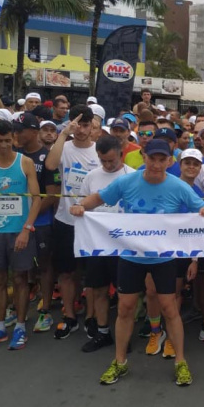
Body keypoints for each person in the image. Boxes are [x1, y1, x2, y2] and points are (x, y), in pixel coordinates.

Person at [72, 139, 204, 385]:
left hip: (164, 258)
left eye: (162, 160)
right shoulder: (127, 181)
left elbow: (202, 209)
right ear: (143, 157)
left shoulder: (178, 186)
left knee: (170, 308)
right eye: (152, 158)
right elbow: (99, 198)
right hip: (130, 256)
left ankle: (181, 362)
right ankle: (119, 362)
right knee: (126, 308)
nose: (157, 164)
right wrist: (81, 206)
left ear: (170, 161)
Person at [0, 120, 42, 350]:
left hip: (19, 232)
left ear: (13, 139)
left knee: (21, 280)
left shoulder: (26, 163)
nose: (3, 145)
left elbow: (36, 199)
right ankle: (0, 326)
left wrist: (27, 229)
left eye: (7, 140)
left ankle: (21, 326)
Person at [45, 106, 101, 339]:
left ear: (92, 127)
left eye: (86, 125)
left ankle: (90, 317)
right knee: (66, 273)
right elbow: (50, 165)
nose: (81, 130)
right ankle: (69, 316)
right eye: (77, 124)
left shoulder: (99, 152)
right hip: (65, 220)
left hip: (91, 222)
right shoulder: (63, 147)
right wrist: (63, 134)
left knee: (90, 275)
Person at [79, 135, 134, 353]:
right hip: (97, 244)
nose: (108, 165)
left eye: (112, 160)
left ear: (121, 154)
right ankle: (102, 332)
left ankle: (124, 334)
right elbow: (82, 202)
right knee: (99, 290)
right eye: (104, 161)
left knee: (124, 293)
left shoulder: (132, 176)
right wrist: (78, 207)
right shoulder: (92, 177)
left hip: (124, 246)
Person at [14, 114, 61, 334]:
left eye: (20, 130)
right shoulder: (13, 155)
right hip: (15, 221)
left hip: (41, 221)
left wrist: (29, 215)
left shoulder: (47, 158)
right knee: (19, 267)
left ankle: (46, 309)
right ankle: (17, 309)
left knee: (45, 266)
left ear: (33, 132)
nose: (17, 134)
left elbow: (52, 195)